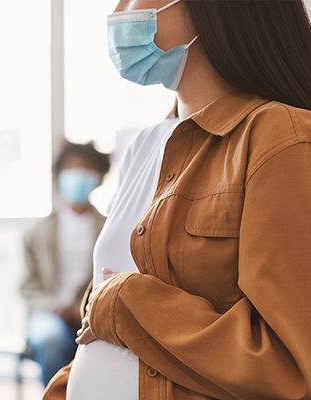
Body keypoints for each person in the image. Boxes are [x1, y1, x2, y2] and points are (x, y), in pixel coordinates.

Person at [43, 0, 311, 399]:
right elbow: (99, 331)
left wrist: (126, 302)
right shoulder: (145, 144)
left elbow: (290, 367)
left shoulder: (281, 138)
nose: (119, 9)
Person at [20, 142, 109, 386]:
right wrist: (55, 306)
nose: (77, 175)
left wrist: (82, 309)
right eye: (71, 168)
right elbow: (28, 286)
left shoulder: (110, 229)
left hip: (95, 313)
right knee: (49, 340)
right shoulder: (38, 232)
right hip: (49, 314)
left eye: (85, 168)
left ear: (99, 176)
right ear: (59, 176)